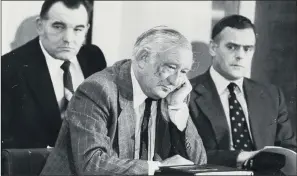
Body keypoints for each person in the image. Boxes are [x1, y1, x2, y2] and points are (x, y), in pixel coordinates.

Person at [40, 26, 207, 175]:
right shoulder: (98, 89)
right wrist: (157, 168)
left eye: (184, 72)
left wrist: (178, 111)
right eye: (170, 67)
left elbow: (200, 165)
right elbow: (91, 164)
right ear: (143, 58)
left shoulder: (169, 94)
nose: (175, 80)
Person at [189, 14, 297, 169]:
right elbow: (183, 154)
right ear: (213, 48)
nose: (240, 55)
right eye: (231, 47)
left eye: (247, 49)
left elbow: (289, 150)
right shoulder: (186, 94)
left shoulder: (271, 95)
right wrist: (238, 157)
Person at [1, 0, 107, 149]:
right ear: (40, 26)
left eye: (78, 29)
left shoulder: (94, 57)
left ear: (86, 29)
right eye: (58, 26)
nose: (68, 39)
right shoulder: (7, 68)